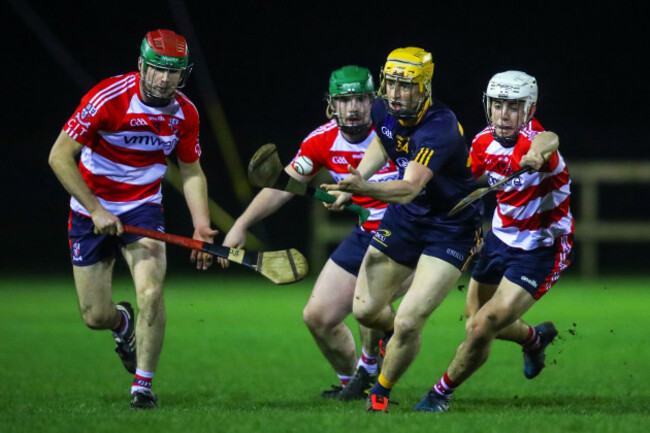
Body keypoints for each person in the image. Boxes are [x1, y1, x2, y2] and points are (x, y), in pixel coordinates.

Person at [48, 29, 217, 410]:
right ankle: (122, 324)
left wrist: (201, 223)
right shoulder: (106, 99)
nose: (163, 79)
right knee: (94, 316)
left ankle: (142, 387)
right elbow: (59, 156)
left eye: (173, 72)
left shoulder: (184, 113)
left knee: (152, 292)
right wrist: (95, 209)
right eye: (156, 69)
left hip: (144, 208)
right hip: (90, 208)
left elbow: (191, 171)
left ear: (182, 74)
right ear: (141, 65)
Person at [220, 65, 404, 400]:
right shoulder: (321, 141)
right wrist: (240, 224)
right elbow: (283, 186)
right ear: (331, 104)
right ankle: (355, 383)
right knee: (318, 317)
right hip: (365, 234)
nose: (353, 108)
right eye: (344, 100)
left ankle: (372, 370)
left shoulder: (394, 131)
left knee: (370, 304)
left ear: (373, 100)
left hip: (407, 234)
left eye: (361, 99)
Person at [322, 47, 483, 413]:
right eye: (391, 83)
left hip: (451, 226)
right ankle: (395, 338)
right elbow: (384, 139)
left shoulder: (440, 128)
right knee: (364, 310)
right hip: (408, 219)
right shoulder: (382, 109)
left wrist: (362, 189)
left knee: (410, 319)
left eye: (406, 86)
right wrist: (359, 176)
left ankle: (380, 392)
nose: (395, 93)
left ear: (424, 88)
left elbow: (409, 188)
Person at [413, 70, 574, 412]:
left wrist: (535, 155)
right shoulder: (483, 142)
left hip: (541, 249)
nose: (504, 114)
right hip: (500, 239)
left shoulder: (538, 142)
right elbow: (466, 182)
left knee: (483, 326)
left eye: (513, 107)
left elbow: (551, 139)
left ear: (529, 110)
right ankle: (534, 338)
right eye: (498, 105)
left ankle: (439, 395)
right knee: (475, 323)